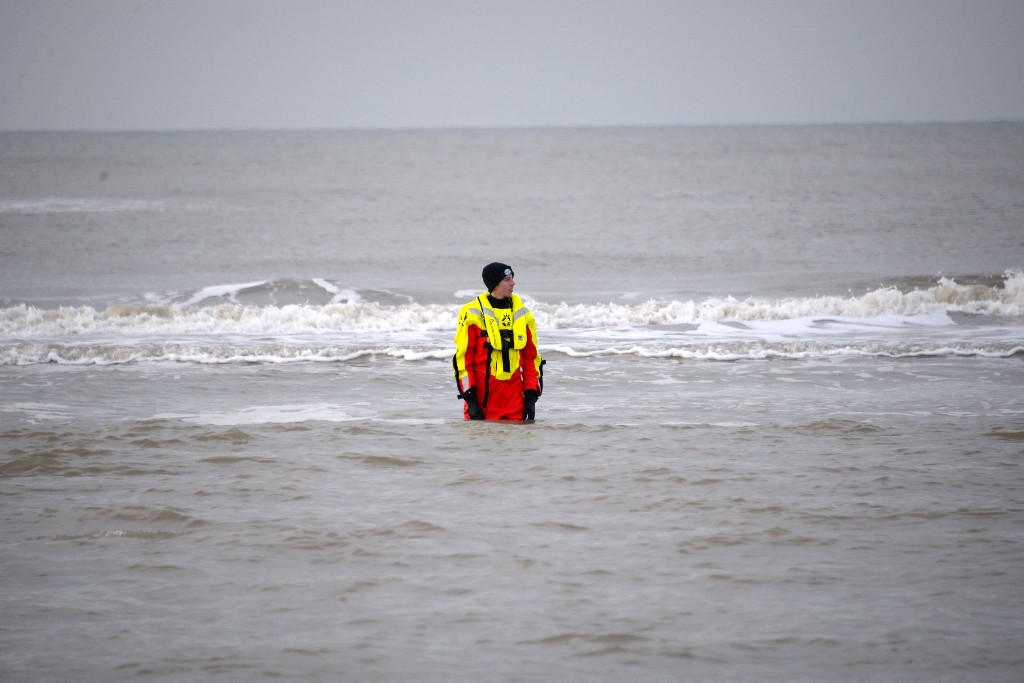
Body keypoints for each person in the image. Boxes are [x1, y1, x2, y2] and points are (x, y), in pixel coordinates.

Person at [453, 262, 544, 420]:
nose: (513, 283)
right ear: (495, 284)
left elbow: (531, 358)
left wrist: (531, 397)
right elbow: (463, 360)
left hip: (516, 403)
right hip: (482, 403)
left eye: (512, 278)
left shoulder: (523, 314)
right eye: (507, 279)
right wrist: (470, 399)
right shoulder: (471, 313)